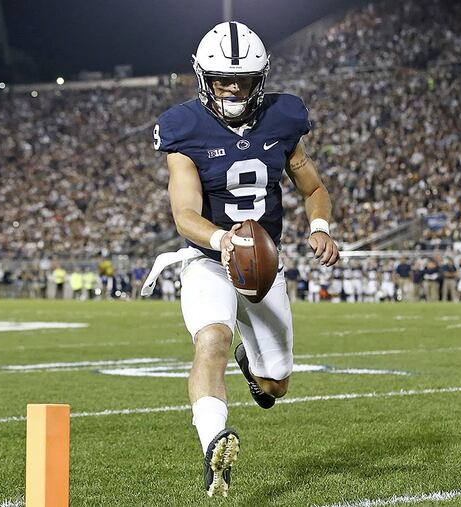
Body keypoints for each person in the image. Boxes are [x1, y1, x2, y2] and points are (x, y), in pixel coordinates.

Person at [147, 21, 339, 497]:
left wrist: (320, 227)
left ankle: (253, 370)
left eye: (244, 79)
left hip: (264, 262)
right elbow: (184, 212)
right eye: (222, 79)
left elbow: (312, 187)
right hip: (210, 258)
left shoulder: (285, 116)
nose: (233, 88)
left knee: (276, 387)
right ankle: (214, 445)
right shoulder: (183, 127)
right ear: (203, 78)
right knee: (211, 339)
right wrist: (221, 240)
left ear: (262, 78)